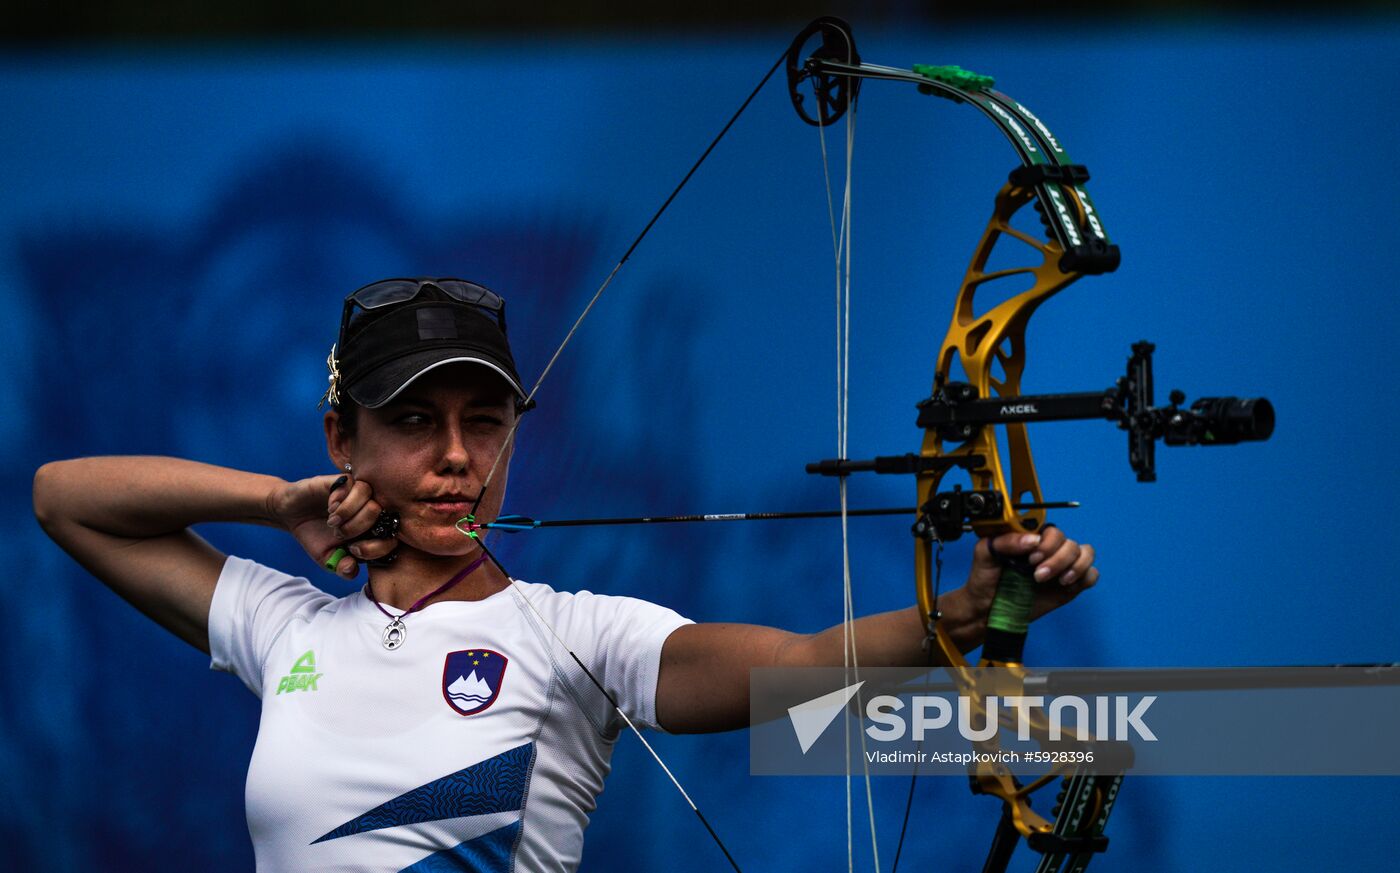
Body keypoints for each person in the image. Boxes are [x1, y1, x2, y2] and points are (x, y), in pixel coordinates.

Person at [32, 277, 1099, 872]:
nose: (457, 456)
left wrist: (970, 610)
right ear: (340, 439)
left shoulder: (577, 635)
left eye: (483, 423)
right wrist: (273, 500)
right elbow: (65, 497)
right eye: (412, 424)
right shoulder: (286, 627)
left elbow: (799, 663)